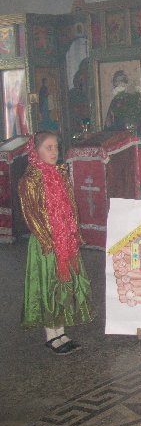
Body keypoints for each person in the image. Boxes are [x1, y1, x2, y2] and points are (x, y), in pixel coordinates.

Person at [18, 131, 95, 355]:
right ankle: (51, 335)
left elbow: (71, 206)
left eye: (56, 147)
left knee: (64, 286)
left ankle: (60, 331)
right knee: (49, 285)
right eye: (48, 148)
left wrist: (73, 233)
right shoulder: (30, 180)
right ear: (36, 151)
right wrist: (48, 239)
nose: (54, 152)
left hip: (65, 239)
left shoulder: (60, 174)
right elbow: (30, 214)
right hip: (47, 242)